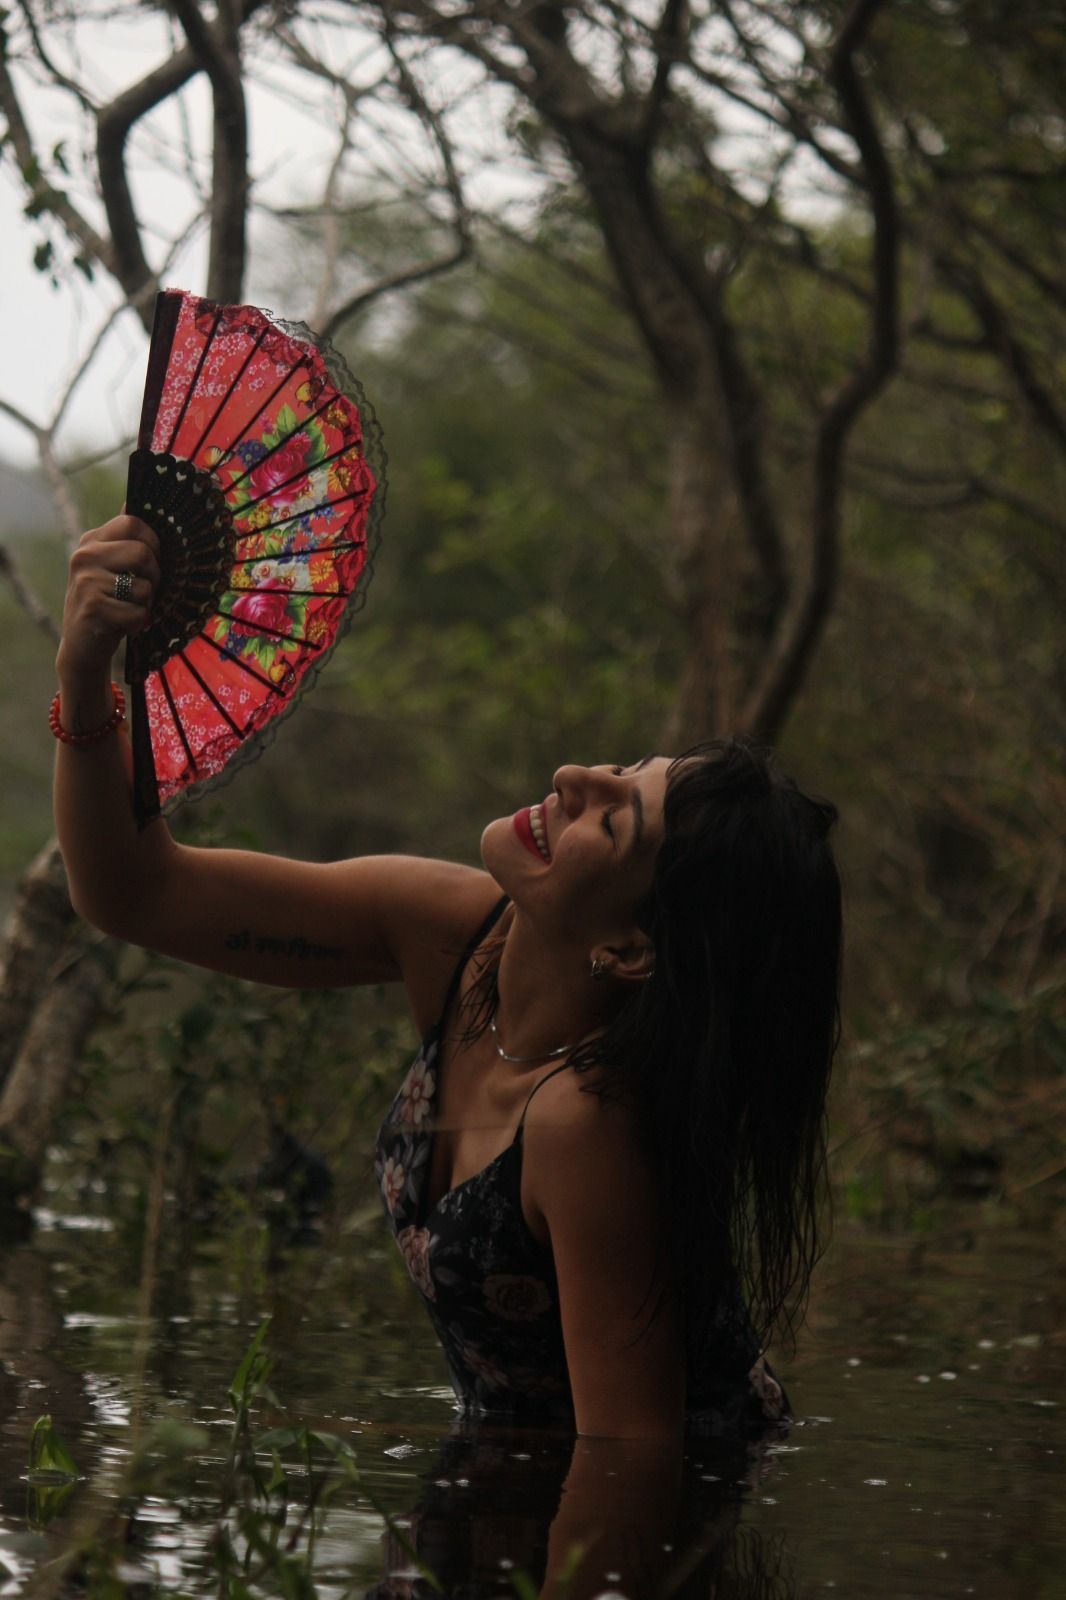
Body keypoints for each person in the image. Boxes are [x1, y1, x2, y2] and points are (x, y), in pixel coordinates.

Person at [53, 511, 842, 1445]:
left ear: (632, 950)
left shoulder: (589, 1128)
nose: (573, 774)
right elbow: (136, 895)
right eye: (623, 766)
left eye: (617, 818)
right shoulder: (455, 939)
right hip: (506, 1484)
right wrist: (84, 674)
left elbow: (628, 1468)